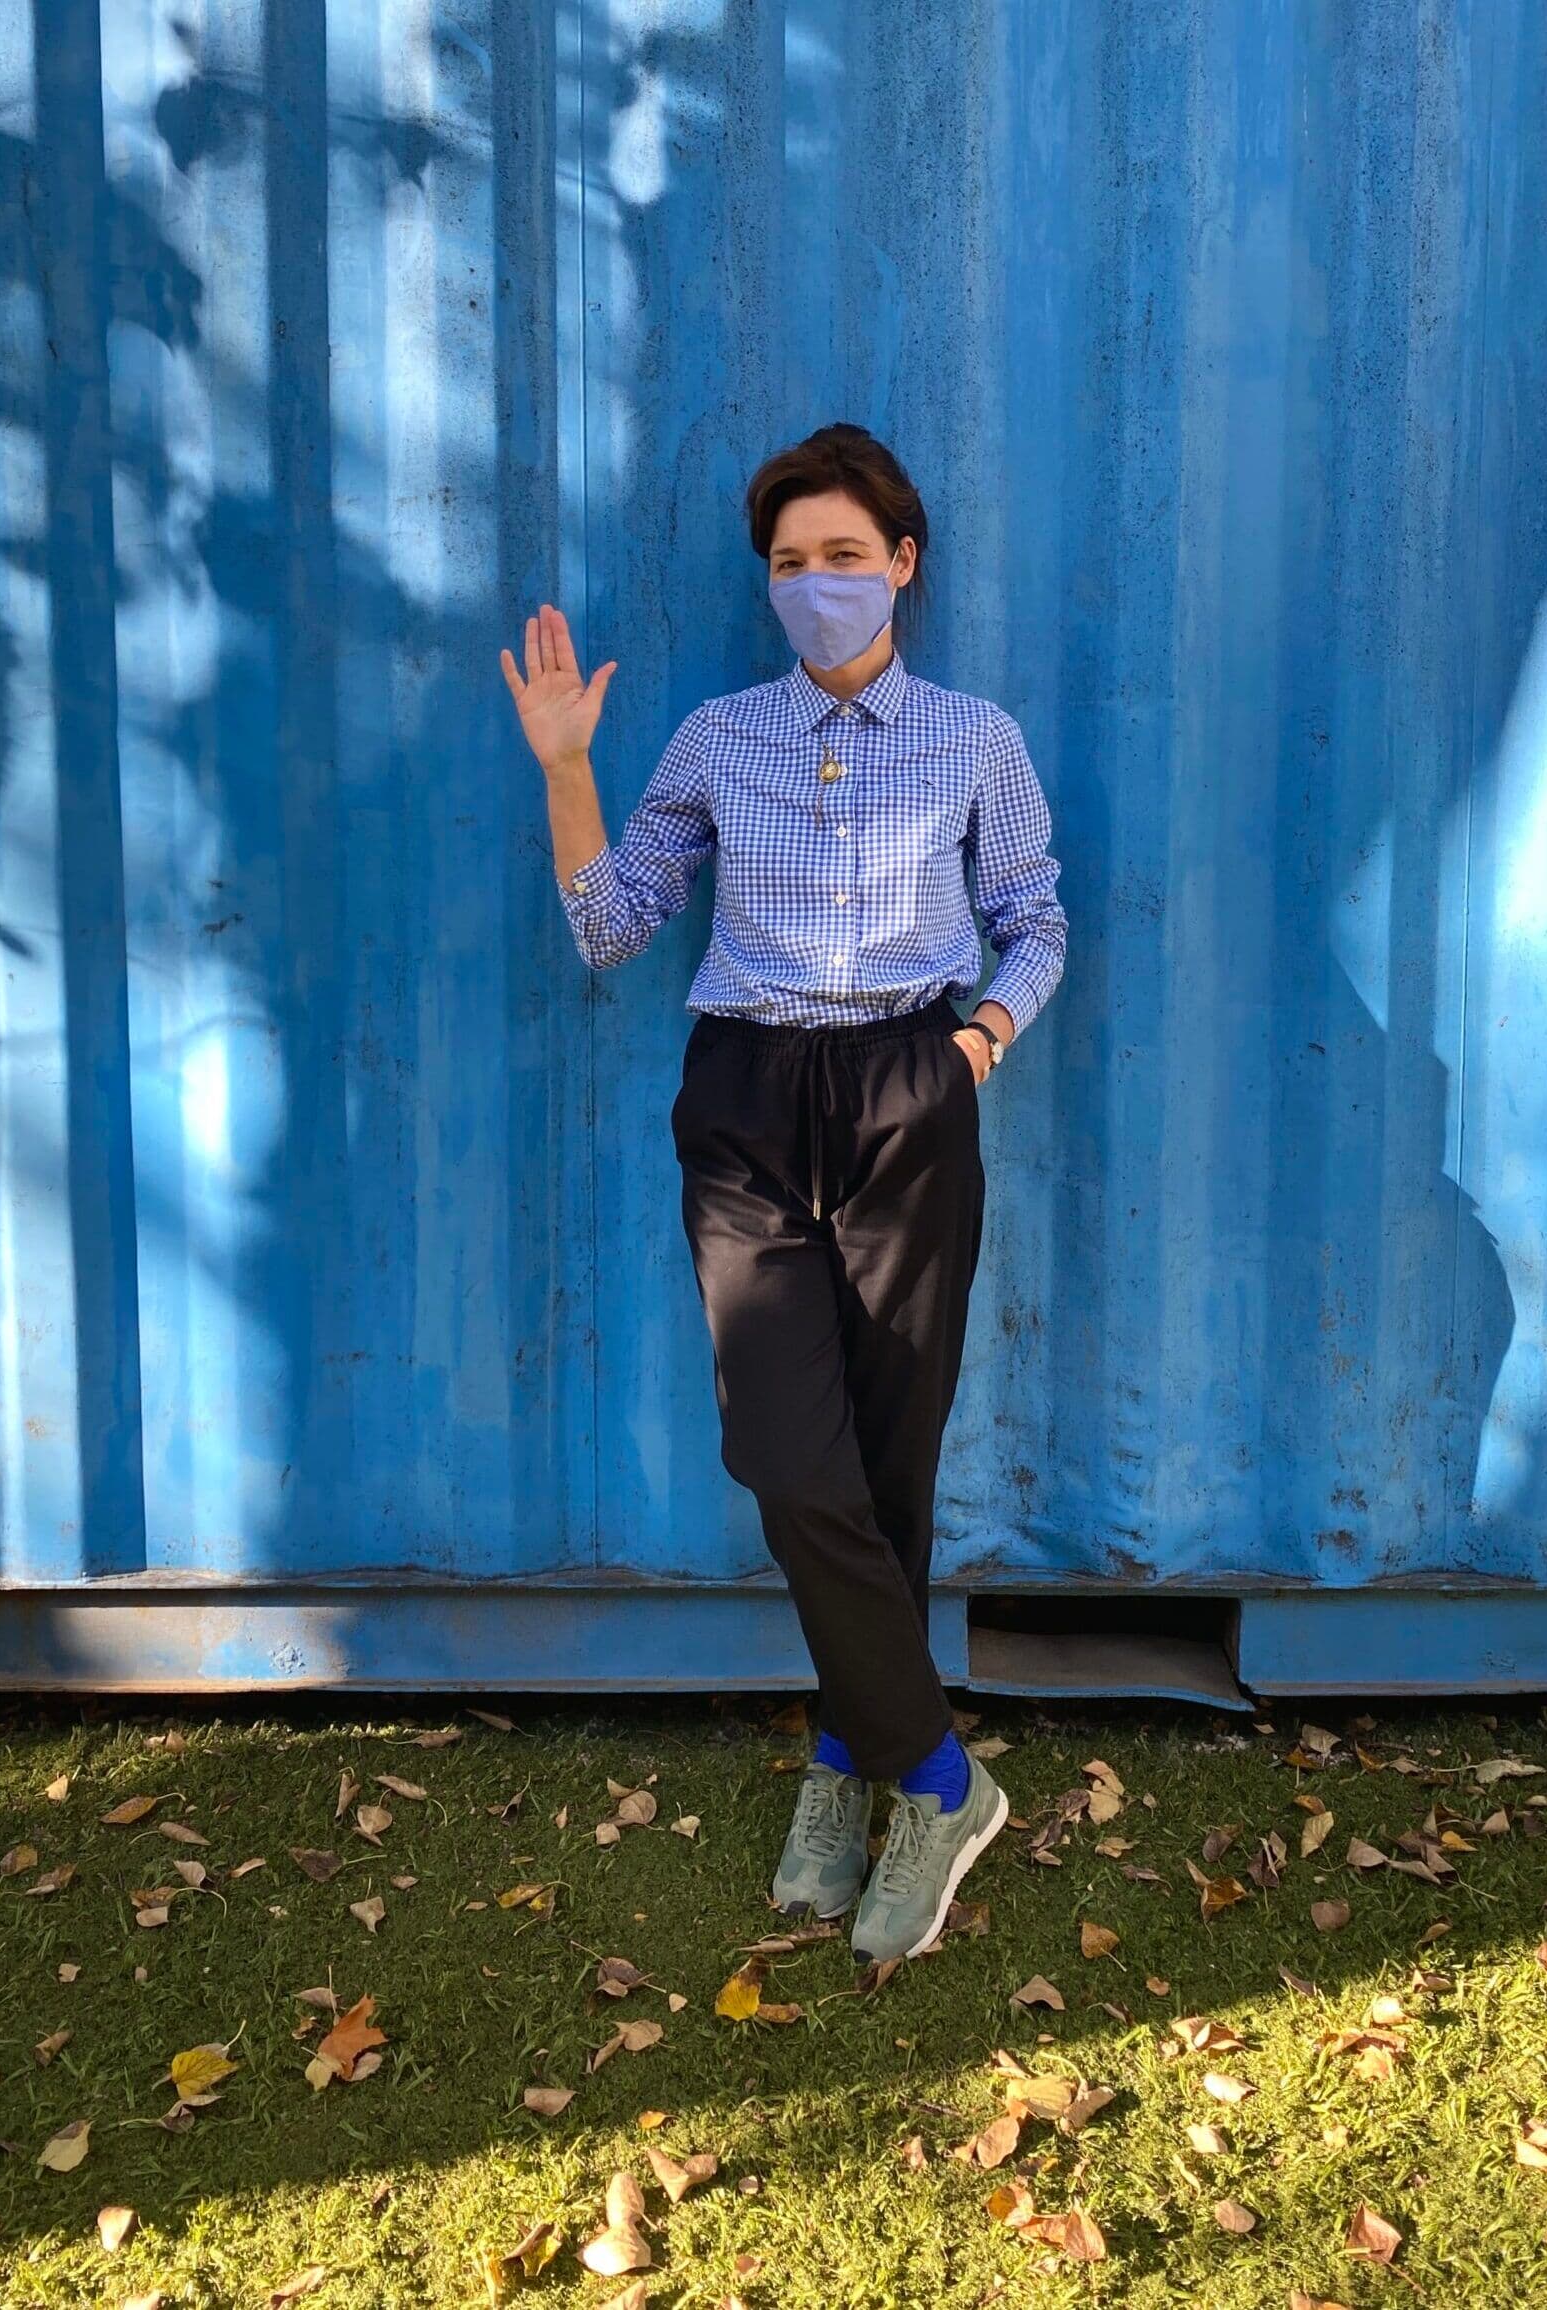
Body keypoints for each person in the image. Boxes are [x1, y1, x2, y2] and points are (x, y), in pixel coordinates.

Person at [499, 422, 1067, 1962]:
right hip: (748, 1100)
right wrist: (566, 768)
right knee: (782, 1446)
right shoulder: (714, 737)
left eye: (844, 554)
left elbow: (1034, 919)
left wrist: (973, 1044)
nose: (817, 581)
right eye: (790, 560)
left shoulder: (973, 739)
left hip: (907, 1090)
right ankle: (937, 1779)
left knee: (887, 1463)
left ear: (901, 563)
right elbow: (613, 926)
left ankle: (840, 1753)